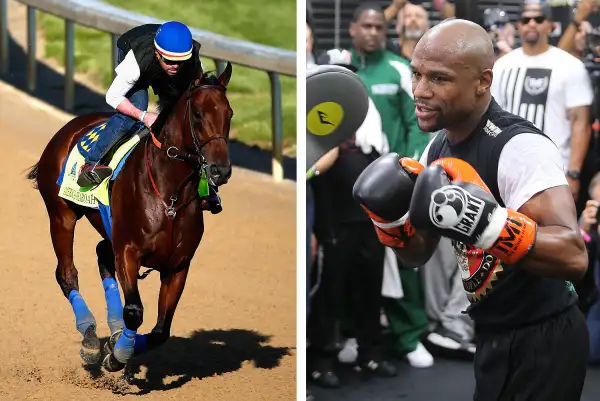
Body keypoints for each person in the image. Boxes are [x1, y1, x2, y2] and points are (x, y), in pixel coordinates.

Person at [354, 18, 590, 400]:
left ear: (483, 81)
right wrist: (391, 222)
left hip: (546, 336)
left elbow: (574, 256)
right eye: (416, 74)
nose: (420, 90)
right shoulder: (436, 150)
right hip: (491, 334)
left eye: (439, 79)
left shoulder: (519, 148)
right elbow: (418, 253)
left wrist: (488, 224)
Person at [348, 2, 433, 368]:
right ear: (352, 29)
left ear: (388, 32)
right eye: (366, 27)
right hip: (347, 184)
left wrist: (412, 165)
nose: (372, 33)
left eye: (379, 27)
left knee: (402, 256)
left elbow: (418, 120)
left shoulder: (401, 69)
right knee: (348, 263)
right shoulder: (337, 68)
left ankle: (409, 335)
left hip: (396, 184)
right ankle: (352, 334)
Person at [77, 21, 222, 213]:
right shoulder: (135, 62)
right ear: (157, 53)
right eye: (168, 61)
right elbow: (112, 96)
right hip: (133, 49)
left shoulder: (192, 62)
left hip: (156, 59)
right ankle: (91, 164)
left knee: (189, 117)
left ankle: (205, 184)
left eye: (180, 62)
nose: (175, 67)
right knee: (134, 109)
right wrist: (143, 116)